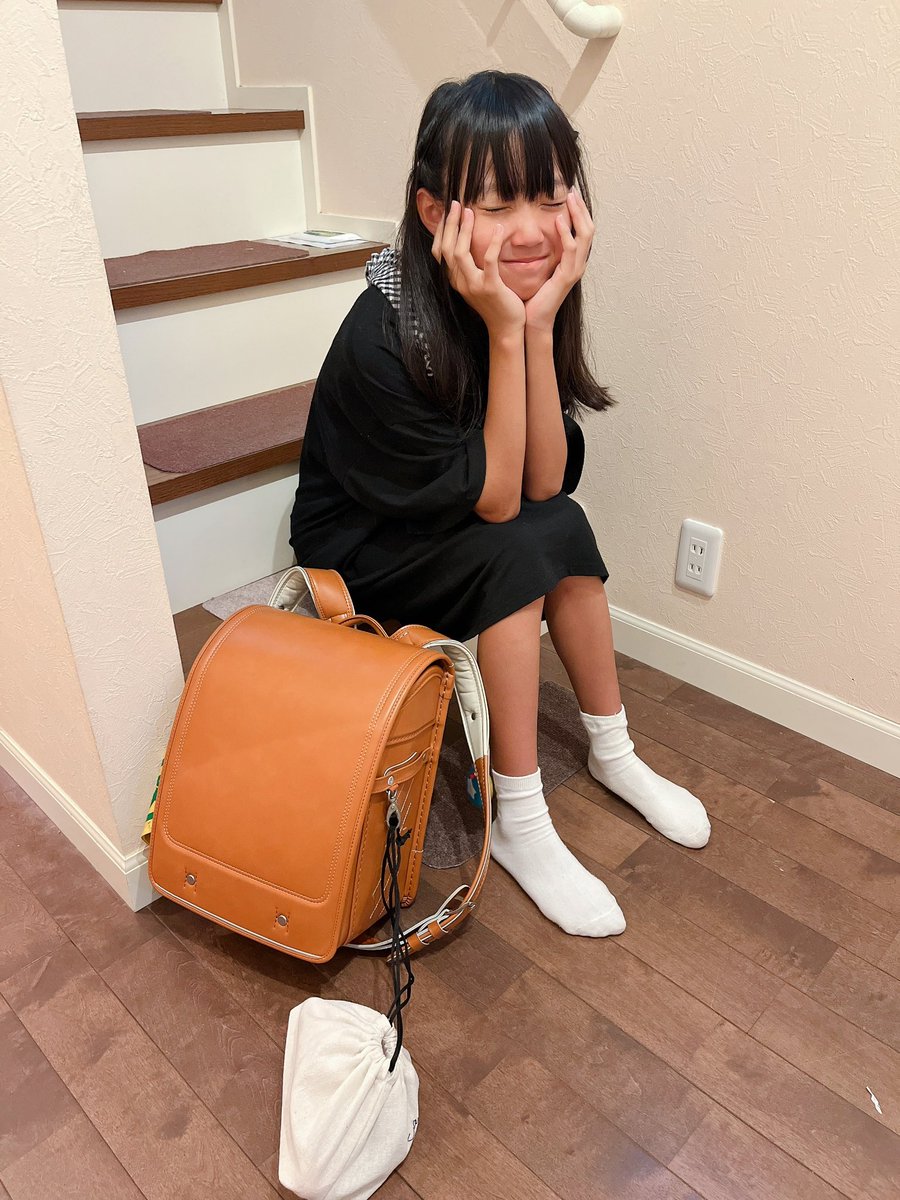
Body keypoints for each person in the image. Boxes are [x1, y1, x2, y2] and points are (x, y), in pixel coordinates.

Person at [288, 69, 710, 939]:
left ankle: (614, 752)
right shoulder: (383, 331)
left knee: (560, 525)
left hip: (458, 507)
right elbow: (493, 503)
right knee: (516, 551)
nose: (530, 228)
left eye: (550, 196)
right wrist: (510, 328)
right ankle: (519, 818)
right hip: (363, 550)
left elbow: (545, 484)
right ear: (435, 212)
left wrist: (537, 323)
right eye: (495, 202)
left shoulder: (517, 295)